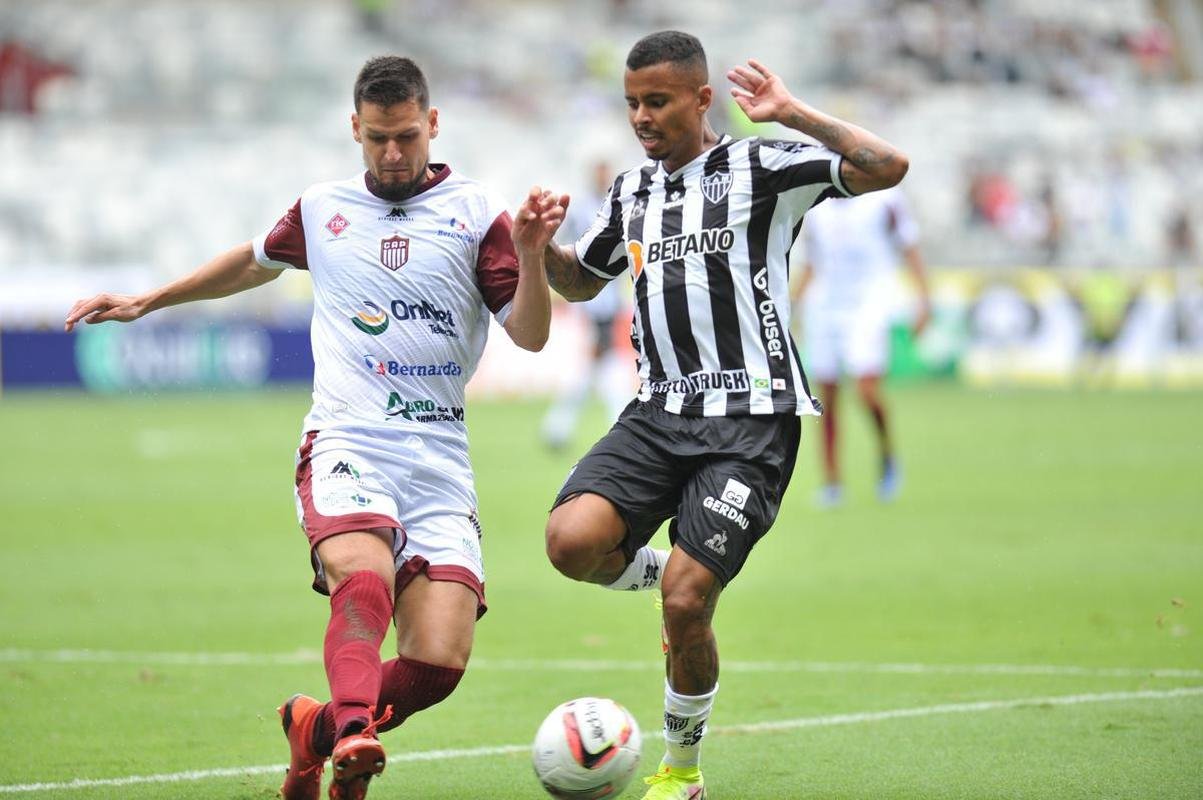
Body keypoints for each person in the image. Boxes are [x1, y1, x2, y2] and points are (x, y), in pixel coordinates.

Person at [63, 56, 566, 800]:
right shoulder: (323, 208)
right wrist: (148, 300)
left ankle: (316, 731)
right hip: (348, 441)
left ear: (432, 124)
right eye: (376, 138)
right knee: (362, 580)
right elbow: (252, 263)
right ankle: (355, 734)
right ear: (354, 128)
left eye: (405, 137)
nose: (391, 154)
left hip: (438, 458)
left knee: (437, 663)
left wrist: (528, 253)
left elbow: (530, 335)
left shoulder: (474, 213)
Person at [539, 31, 909, 800]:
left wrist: (792, 114)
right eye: (632, 103)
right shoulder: (630, 193)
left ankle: (680, 770)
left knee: (684, 602)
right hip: (657, 413)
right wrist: (536, 245)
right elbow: (579, 281)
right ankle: (676, 576)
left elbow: (886, 166)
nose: (641, 117)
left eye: (657, 101)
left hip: (751, 421)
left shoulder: (760, 168)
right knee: (570, 543)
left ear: (701, 98)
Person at [792, 187, 931, 507]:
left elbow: (910, 248)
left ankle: (887, 454)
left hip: (870, 302)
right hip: (825, 304)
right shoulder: (816, 203)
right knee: (825, 396)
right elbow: (812, 261)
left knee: (865, 390)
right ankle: (832, 482)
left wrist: (924, 300)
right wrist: (794, 307)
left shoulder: (885, 198)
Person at [541, 159, 633, 451]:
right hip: (589, 305)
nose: (603, 177)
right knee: (600, 371)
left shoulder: (618, 207)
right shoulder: (583, 209)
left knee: (594, 372)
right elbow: (567, 245)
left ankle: (559, 428)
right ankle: (569, 427)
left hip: (609, 303)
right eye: (600, 172)